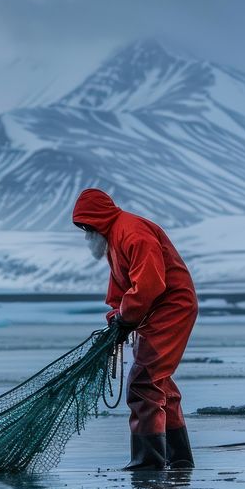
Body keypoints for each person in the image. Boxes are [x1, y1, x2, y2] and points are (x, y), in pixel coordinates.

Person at [72, 188, 198, 470]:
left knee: (144, 382)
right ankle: (178, 458)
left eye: (87, 226)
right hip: (152, 312)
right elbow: (120, 289)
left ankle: (148, 461)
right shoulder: (114, 240)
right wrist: (117, 315)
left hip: (171, 309)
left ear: (97, 219)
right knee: (159, 382)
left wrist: (126, 317)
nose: (86, 233)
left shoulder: (132, 233)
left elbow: (150, 285)